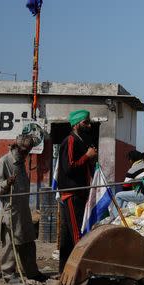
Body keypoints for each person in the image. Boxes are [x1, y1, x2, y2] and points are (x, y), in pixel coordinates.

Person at [0, 134, 45, 282]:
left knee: (28, 241)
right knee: (10, 245)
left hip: (23, 209)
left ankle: (32, 272)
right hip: (10, 210)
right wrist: (7, 183)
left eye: (28, 151)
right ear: (16, 147)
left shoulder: (22, 163)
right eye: (24, 151)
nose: (26, 154)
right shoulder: (4, 161)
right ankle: (8, 275)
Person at [56, 109, 98, 274]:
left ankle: (64, 271)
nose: (88, 125)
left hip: (80, 193)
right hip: (72, 194)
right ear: (76, 124)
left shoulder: (82, 140)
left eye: (89, 122)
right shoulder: (71, 141)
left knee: (66, 238)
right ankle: (78, 272)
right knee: (76, 235)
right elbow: (69, 167)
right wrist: (87, 156)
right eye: (85, 122)